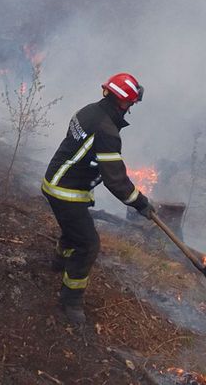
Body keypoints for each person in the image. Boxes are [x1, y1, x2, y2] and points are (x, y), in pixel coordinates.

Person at [42, 73, 156, 325]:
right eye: (132, 103)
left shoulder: (89, 111)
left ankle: (58, 262)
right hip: (66, 191)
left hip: (56, 181)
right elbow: (116, 181)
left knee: (74, 229)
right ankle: (70, 301)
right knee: (89, 244)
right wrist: (141, 203)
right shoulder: (107, 132)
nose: (132, 107)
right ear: (124, 103)